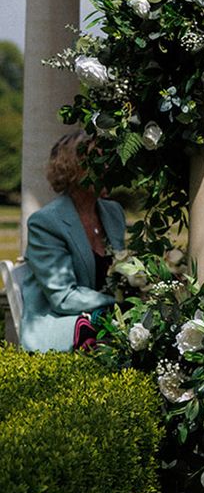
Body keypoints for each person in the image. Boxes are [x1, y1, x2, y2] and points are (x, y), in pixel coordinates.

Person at [19, 131, 124, 352]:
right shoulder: (46, 222)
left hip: (109, 322)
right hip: (63, 324)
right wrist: (119, 302)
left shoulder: (114, 213)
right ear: (74, 170)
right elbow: (63, 297)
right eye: (99, 162)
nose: (107, 168)